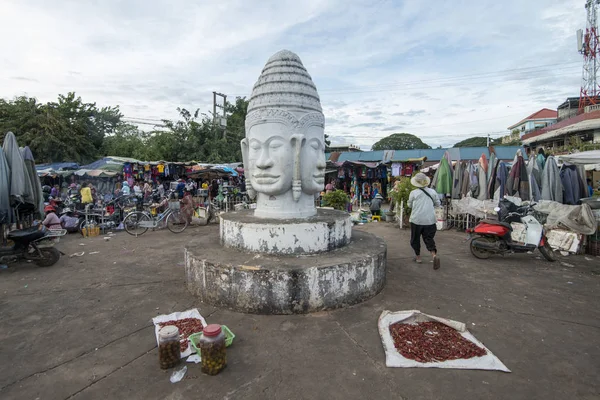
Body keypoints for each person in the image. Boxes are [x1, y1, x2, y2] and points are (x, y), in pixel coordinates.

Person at [408, 172, 441, 270]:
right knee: (429, 239)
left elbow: (409, 205)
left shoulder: (413, 193)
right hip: (430, 220)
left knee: (415, 239)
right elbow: (437, 204)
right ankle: (434, 255)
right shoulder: (433, 192)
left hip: (416, 220)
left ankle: (418, 257)